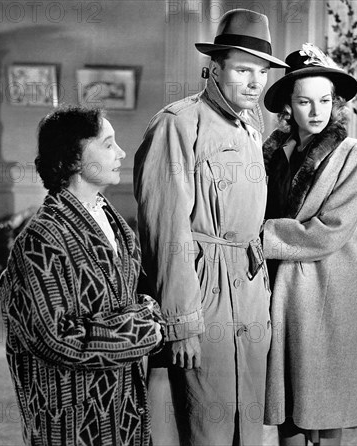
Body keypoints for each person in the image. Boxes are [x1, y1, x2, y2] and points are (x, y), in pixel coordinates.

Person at [133, 9, 288, 446]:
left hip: (250, 292)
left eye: (261, 72)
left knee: (248, 423)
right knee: (204, 425)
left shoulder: (252, 129)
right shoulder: (178, 123)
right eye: (243, 70)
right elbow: (166, 231)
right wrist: (182, 322)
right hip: (203, 290)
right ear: (214, 69)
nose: (255, 82)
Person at [0, 105, 165, 446]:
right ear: (73, 158)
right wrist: (144, 329)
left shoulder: (112, 220)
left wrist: (142, 314)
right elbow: (54, 338)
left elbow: (141, 295)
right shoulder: (41, 239)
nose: (120, 153)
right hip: (71, 412)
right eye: (107, 144)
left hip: (122, 403)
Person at [261, 43, 357, 446]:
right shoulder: (270, 153)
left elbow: (329, 228)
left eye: (326, 100)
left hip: (328, 288)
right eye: (305, 101)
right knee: (288, 407)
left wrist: (259, 238)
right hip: (280, 287)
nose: (317, 111)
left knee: (326, 410)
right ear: (288, 107)